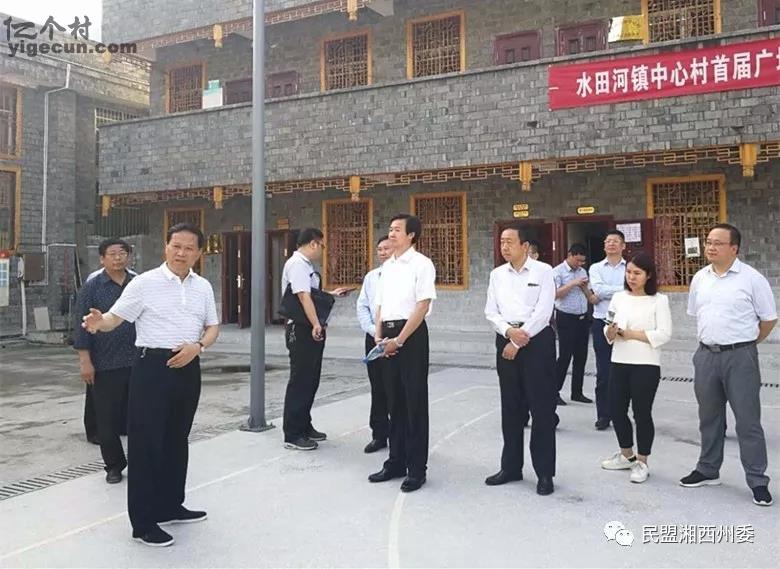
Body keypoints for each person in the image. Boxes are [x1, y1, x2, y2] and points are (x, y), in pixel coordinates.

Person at [82, 223, 220, 547]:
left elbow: (213, 327)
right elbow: (115, 318)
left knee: (177, 439)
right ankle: (143, 523)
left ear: (199, 253)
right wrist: (99, 322)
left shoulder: (202, 287)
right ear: (165, 247)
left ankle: (170, 505)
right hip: (152, 368)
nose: (181, 253)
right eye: (176, 246)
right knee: (146, 444)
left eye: (188, 248)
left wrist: (198, 347)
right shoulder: (145, 283)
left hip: (189, 366)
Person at [680, 223, 777, 507]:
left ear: (734, 248)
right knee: (709, 417)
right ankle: (708, 469)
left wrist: (746, 344)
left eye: (718, 243)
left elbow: (769, 319)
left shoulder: (752, 279)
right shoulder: (700, 278)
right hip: (706, 356)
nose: (710, 247)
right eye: (708, 242)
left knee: (748, 421)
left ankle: (757, 480)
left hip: (740, 357)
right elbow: (696, 314)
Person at [484, 225, 557, 495]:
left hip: (537, 342)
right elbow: (491, 311)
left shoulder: (543, 271)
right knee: (511, 408)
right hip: (506, 339)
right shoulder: (496, 274)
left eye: (510, 242)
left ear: (525, 246)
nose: (504, 247)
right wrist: (508, 333)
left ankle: (545, 473)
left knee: (542, 410)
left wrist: (517, 341)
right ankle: (511, 467)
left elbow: (543, 311)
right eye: (502, 242)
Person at [368, 214, 436, 493]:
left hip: (411, 334)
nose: (391, 233)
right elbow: (380, 305)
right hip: (387, 335)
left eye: (397, 230)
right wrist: (379, 335)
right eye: (390, 229)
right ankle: (395, 461)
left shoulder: (422, 264)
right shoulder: (387, 267)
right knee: (393, 400)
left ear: (411, 235)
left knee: (414, 402)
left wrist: (400, 340)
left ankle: (416, 469)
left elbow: (422, 305)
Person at [600, 252, 672, 483]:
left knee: (641, 413)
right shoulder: (618, 298)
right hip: (619, 361)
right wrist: (611, 332)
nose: (631, 277)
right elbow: (607, 326)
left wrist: (630, 334)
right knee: (616, 410)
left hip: (646, 364)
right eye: (629, 272)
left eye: (637, 273)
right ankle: (626, 455)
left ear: (648, 275)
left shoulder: (658, 300)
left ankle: (642, 461)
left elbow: (664, 334)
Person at [281, 228, 352, 451]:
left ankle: (304, 424)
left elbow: (310, 293)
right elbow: (303, 296)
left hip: (309, 327)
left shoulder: (305, 266)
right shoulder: (297, 264)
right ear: (313, 243)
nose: (322, 250)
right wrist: (315, 324)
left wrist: (331, 294)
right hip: (302, 328)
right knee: (301, 380)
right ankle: (293, 434)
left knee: (311, 379)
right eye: (322, 245)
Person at [73, 238, 136, 484]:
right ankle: (114, 465)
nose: (118, 258)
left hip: (138, 360)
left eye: (122, 253)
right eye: (112, 254)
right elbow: (81, 326)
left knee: (140, 415)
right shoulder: (92, 286)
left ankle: (141, 461)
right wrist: (85, 361)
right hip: (105, 362)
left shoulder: (137, 283)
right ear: (102, 259)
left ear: (129, 256)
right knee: (106, 418)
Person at [356, 235, 395, 453]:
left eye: (386, 248)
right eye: (379, 249)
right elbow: (362, 306)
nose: (382, 252)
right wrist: (374, 331)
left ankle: (400, 435)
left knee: (395, 387)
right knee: (377, 386)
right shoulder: (372, 277)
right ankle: (379, 434)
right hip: (373, 337)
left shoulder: (404, 275)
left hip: (396, 337)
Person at [588, 230, 627, 430]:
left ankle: (621, 413)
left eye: (615, 241)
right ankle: (603, 414)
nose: (611, 244)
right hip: (601, 322)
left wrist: (606, 292)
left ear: (623, 246)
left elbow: (633, 289)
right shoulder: (595, 268)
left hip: (626, 324)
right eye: (608, 241)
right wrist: (621, 290)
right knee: (604, 372)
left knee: (625, 371)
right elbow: (598, 290)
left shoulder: (630, 268)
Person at [553, 243, 596, 406]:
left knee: (581, 356)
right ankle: (554, 392)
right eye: (577, 260)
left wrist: (586, 290)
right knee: (565, 356)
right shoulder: (557, 272)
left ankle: (577, 392)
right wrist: (572, 283)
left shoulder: (582, 272)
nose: (580, 264)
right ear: (570, 255)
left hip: (582, 318)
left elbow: (587, 293)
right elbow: (555, 294)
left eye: (582, 261)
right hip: (566, 318)